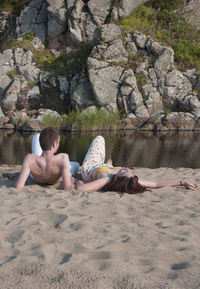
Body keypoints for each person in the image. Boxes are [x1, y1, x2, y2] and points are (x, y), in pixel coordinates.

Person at [76, 136, 198, 193]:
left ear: (119, 178)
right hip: (105, 169)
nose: (126, 168)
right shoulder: (131, 181)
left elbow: (81, 188)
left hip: (91, 167)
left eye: (124, 171)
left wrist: (77, 181)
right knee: (109, 165)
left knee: (100, 139)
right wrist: (182, 182)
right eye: (128, 170)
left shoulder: (106, 179)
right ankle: (108, 165)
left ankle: (106, 165)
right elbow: (157, 184)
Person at [15, 127, 80, 190]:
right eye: (58, 142)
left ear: (40, 144)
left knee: (37, 136)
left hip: (36, 177)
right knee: (76, 165)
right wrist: (72, 181)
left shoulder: (29, 159)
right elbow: (67, 186)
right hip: (55, 178)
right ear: (54, 144)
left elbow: (18, 186)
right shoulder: (63, 158)